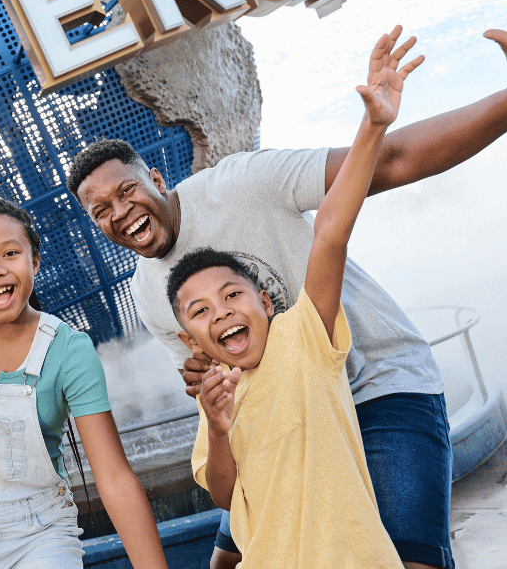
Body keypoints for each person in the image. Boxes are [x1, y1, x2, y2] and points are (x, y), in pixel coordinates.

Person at [68, 0, 507, 569]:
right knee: (227, 560)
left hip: (377, 388)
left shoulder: (241, 183)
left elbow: (386, 165)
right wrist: (206, 387)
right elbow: (227, 395)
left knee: (409, 559)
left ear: (155, 176)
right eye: (100, 210)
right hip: (295, 422)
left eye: (127, 190)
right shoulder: (151, 295)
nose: (119, 211)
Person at [171, 29, 417, 567]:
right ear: (192, 340)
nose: (223, 312)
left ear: (265, 300)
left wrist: (373, 125)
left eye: (232, 294)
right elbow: (222, 495)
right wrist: (216, 427)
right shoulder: (215, 399)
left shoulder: (303, 337)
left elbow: (330, 230)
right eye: (201, 312)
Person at [0, 197, 167, 569]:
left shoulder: (70, 351)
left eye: (10, 254)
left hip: (41, 535)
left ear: (35, 261)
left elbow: (113, 477)